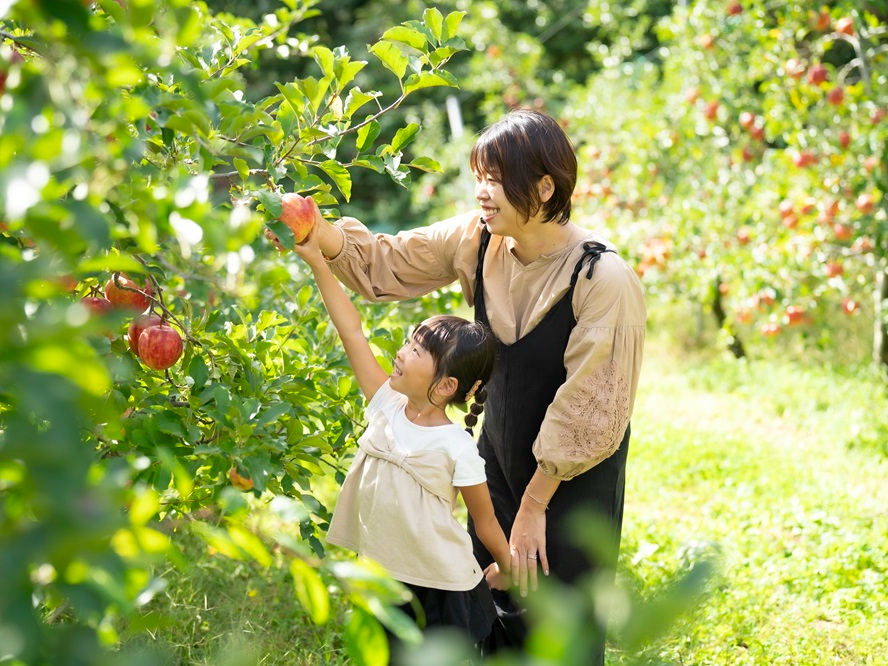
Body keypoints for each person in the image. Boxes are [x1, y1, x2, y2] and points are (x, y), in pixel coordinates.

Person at [280, 108, 646, 662]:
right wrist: (314, 229)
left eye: (496, 179)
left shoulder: (601, 277)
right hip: (494, 459)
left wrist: (534, 506)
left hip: (570, 482)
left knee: (559, 626)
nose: (482, 191)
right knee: (490, 615)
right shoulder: (477, 240)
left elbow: (593, 407)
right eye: (479, 175)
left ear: (545, 187)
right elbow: (387, 262)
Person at [286, 222, 514, 657]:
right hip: (384, 578)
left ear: (446, 386)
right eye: (409, 342)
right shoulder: (387, 403)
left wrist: (507, 569)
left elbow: (483, 521)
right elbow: (352, 330)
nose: (402, 352)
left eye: (416, 351)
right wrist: (318, 261)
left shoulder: (456, 447)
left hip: (442, 587)